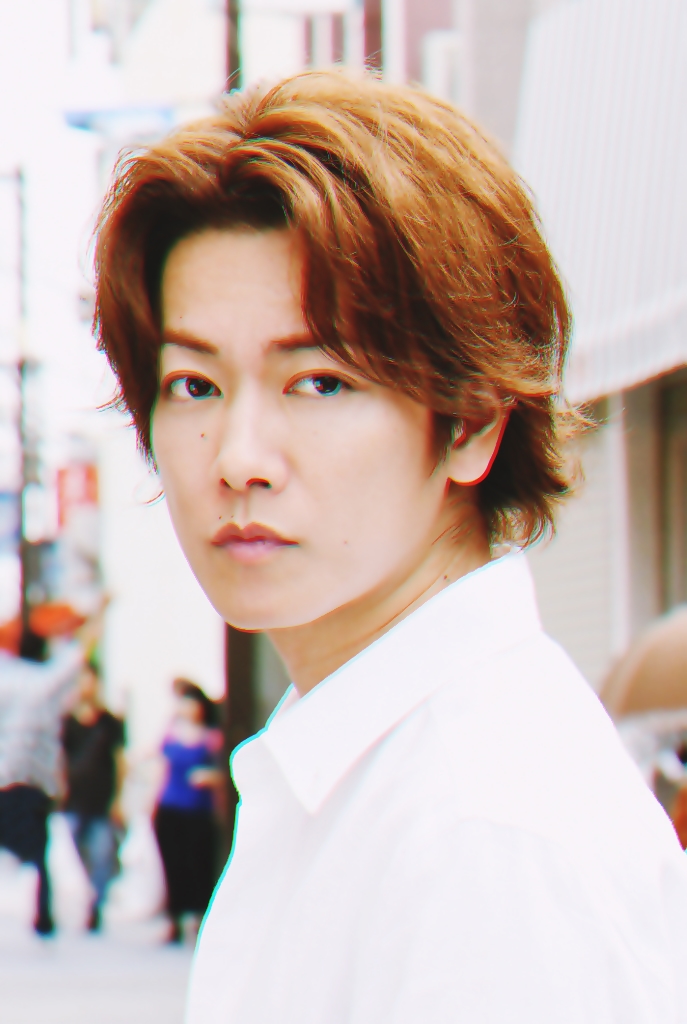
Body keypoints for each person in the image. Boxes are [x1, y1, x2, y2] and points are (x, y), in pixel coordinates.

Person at [92, 70, 687, 1023]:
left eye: (319, 382)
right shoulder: (362, 768)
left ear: (471, 421)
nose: (238, 459)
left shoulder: (482, 827)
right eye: (195, 385)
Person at [0, 627, 83, 936]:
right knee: (39, 853)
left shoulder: (5, 679)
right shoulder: (46, 682)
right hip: (37, 780)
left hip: (4, 776)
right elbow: (73, 661)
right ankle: (43, 915)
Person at [154, 680, 222, 943]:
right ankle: (174, 917)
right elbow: (161, 768)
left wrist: (211, 777)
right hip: (170, 806)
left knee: (198, 864)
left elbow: (223, 771)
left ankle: (197, 915)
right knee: (173, 864)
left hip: (197, 809)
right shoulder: (171, 734)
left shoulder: (212, 738)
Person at [61, 660, 125, 932]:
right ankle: (85, 896)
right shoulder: (66, 721)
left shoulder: (109, 722)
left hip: (101, 799)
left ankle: (96, 903)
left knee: (102, 854)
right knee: (77, 854)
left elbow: (119, 760)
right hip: (74, 798)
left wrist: (118, 798)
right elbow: (59, 758)